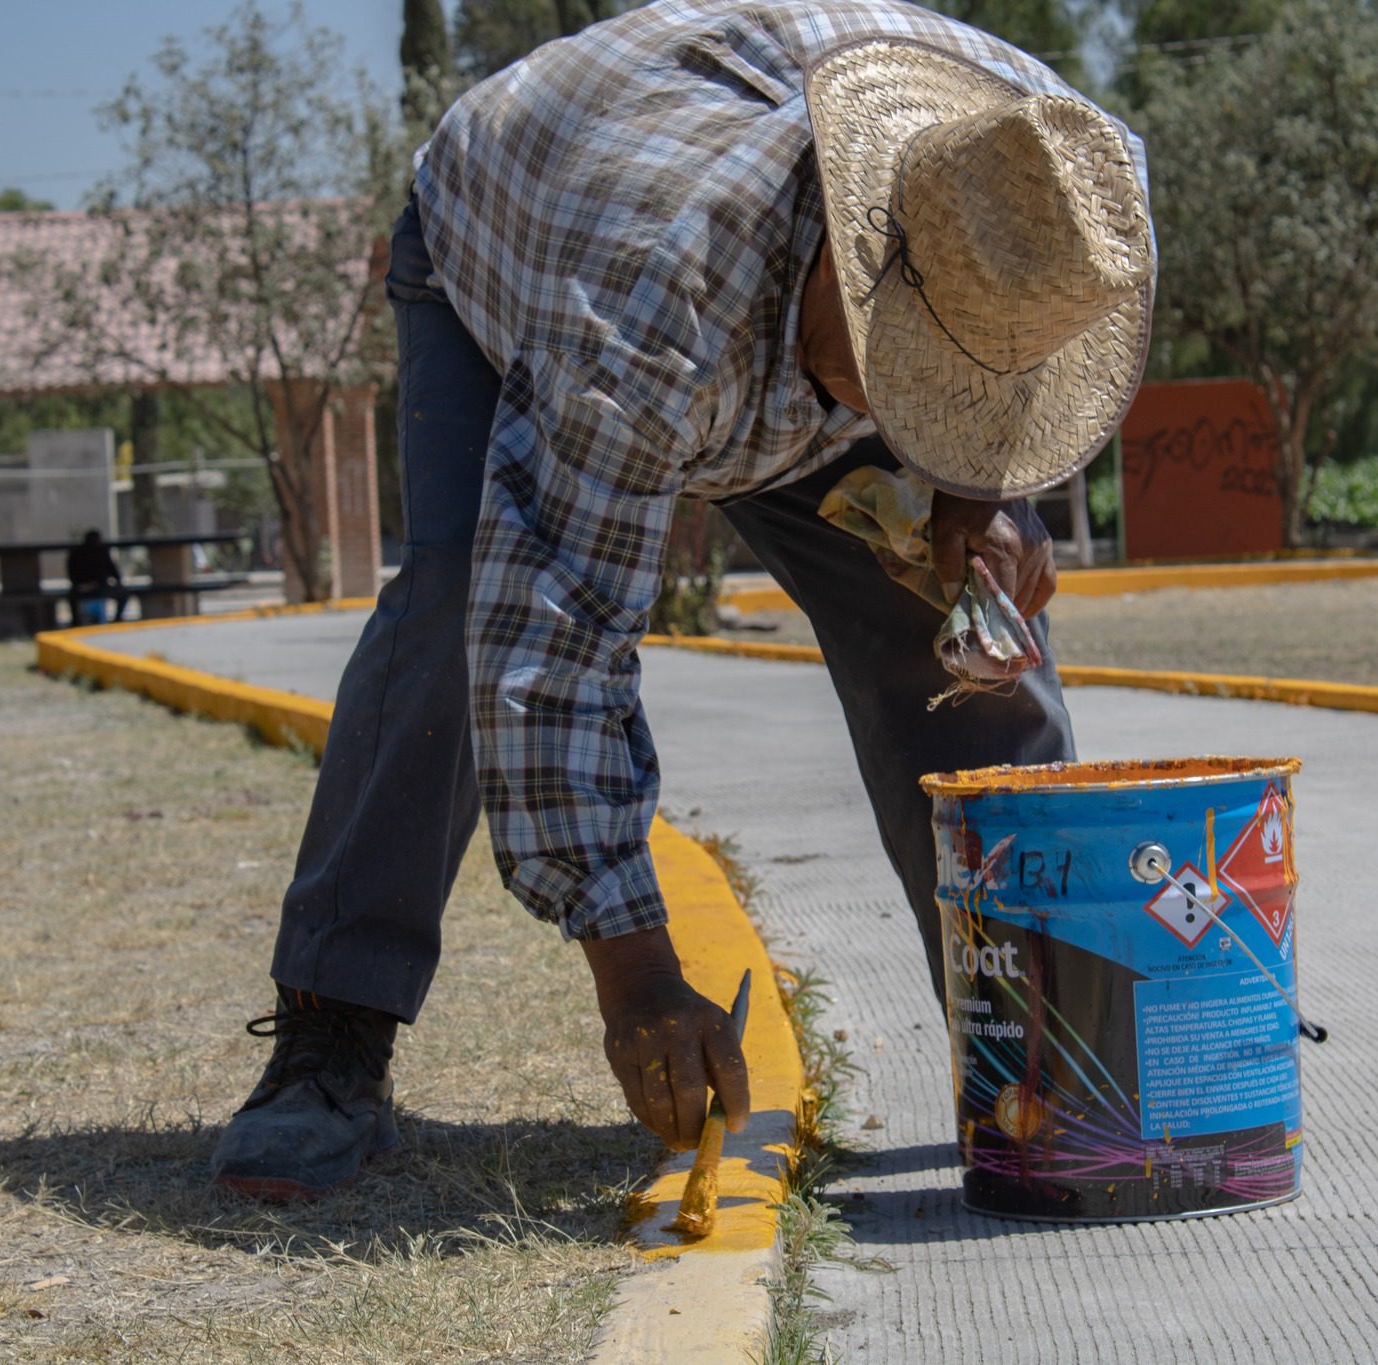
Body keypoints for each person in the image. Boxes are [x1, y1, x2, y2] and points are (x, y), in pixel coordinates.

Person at [210, 0, 1154, 1201]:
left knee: (961, 639)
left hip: (760, 288)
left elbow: (1001, 357)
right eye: (909, 382)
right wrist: (638, 975)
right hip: (504, 246)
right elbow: (549, 641)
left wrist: (981, 485)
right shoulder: (648, 315)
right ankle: (326, 1039)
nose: (913, 418)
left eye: (962, 387)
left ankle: (1031, 1058)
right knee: (459, 606)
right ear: (846, 263)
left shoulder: (1067, 196)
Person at [65, 530, 128, 626]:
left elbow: (113, 571)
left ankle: (117, 619)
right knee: (72, 597)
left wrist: (116, 582)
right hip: (85, 588)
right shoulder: (78, 553)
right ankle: (75, 623)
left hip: (99, 587)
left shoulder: (101, 551)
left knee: (123, 593)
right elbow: (72, 574)